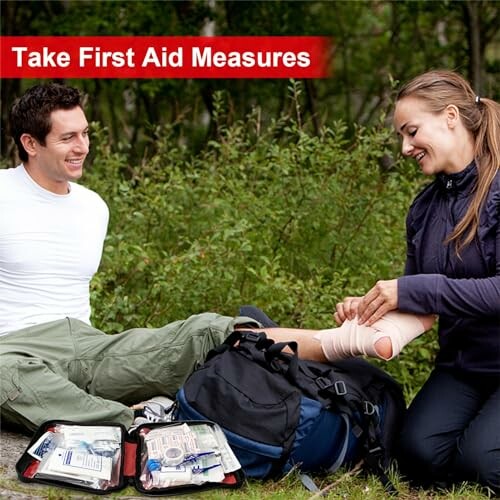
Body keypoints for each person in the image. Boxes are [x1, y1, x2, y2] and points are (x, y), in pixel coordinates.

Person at [0, 83, 431, 436]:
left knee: (205, 329)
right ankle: (131, 422)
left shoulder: (93, 206)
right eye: (68, 137)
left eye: (86, 133)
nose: (83, 146)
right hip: (12, 350)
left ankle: (347, 339)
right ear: (30, 143)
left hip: (88, 345)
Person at [335, 70, 500, 493]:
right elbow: (420, 304)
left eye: (411, 132)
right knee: (415, 457)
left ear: (449, 117)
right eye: (401, 137)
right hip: (463, 368)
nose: (405, 148)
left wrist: (406, 290)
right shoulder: (424, 208)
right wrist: (371, 310)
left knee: (481, 467)